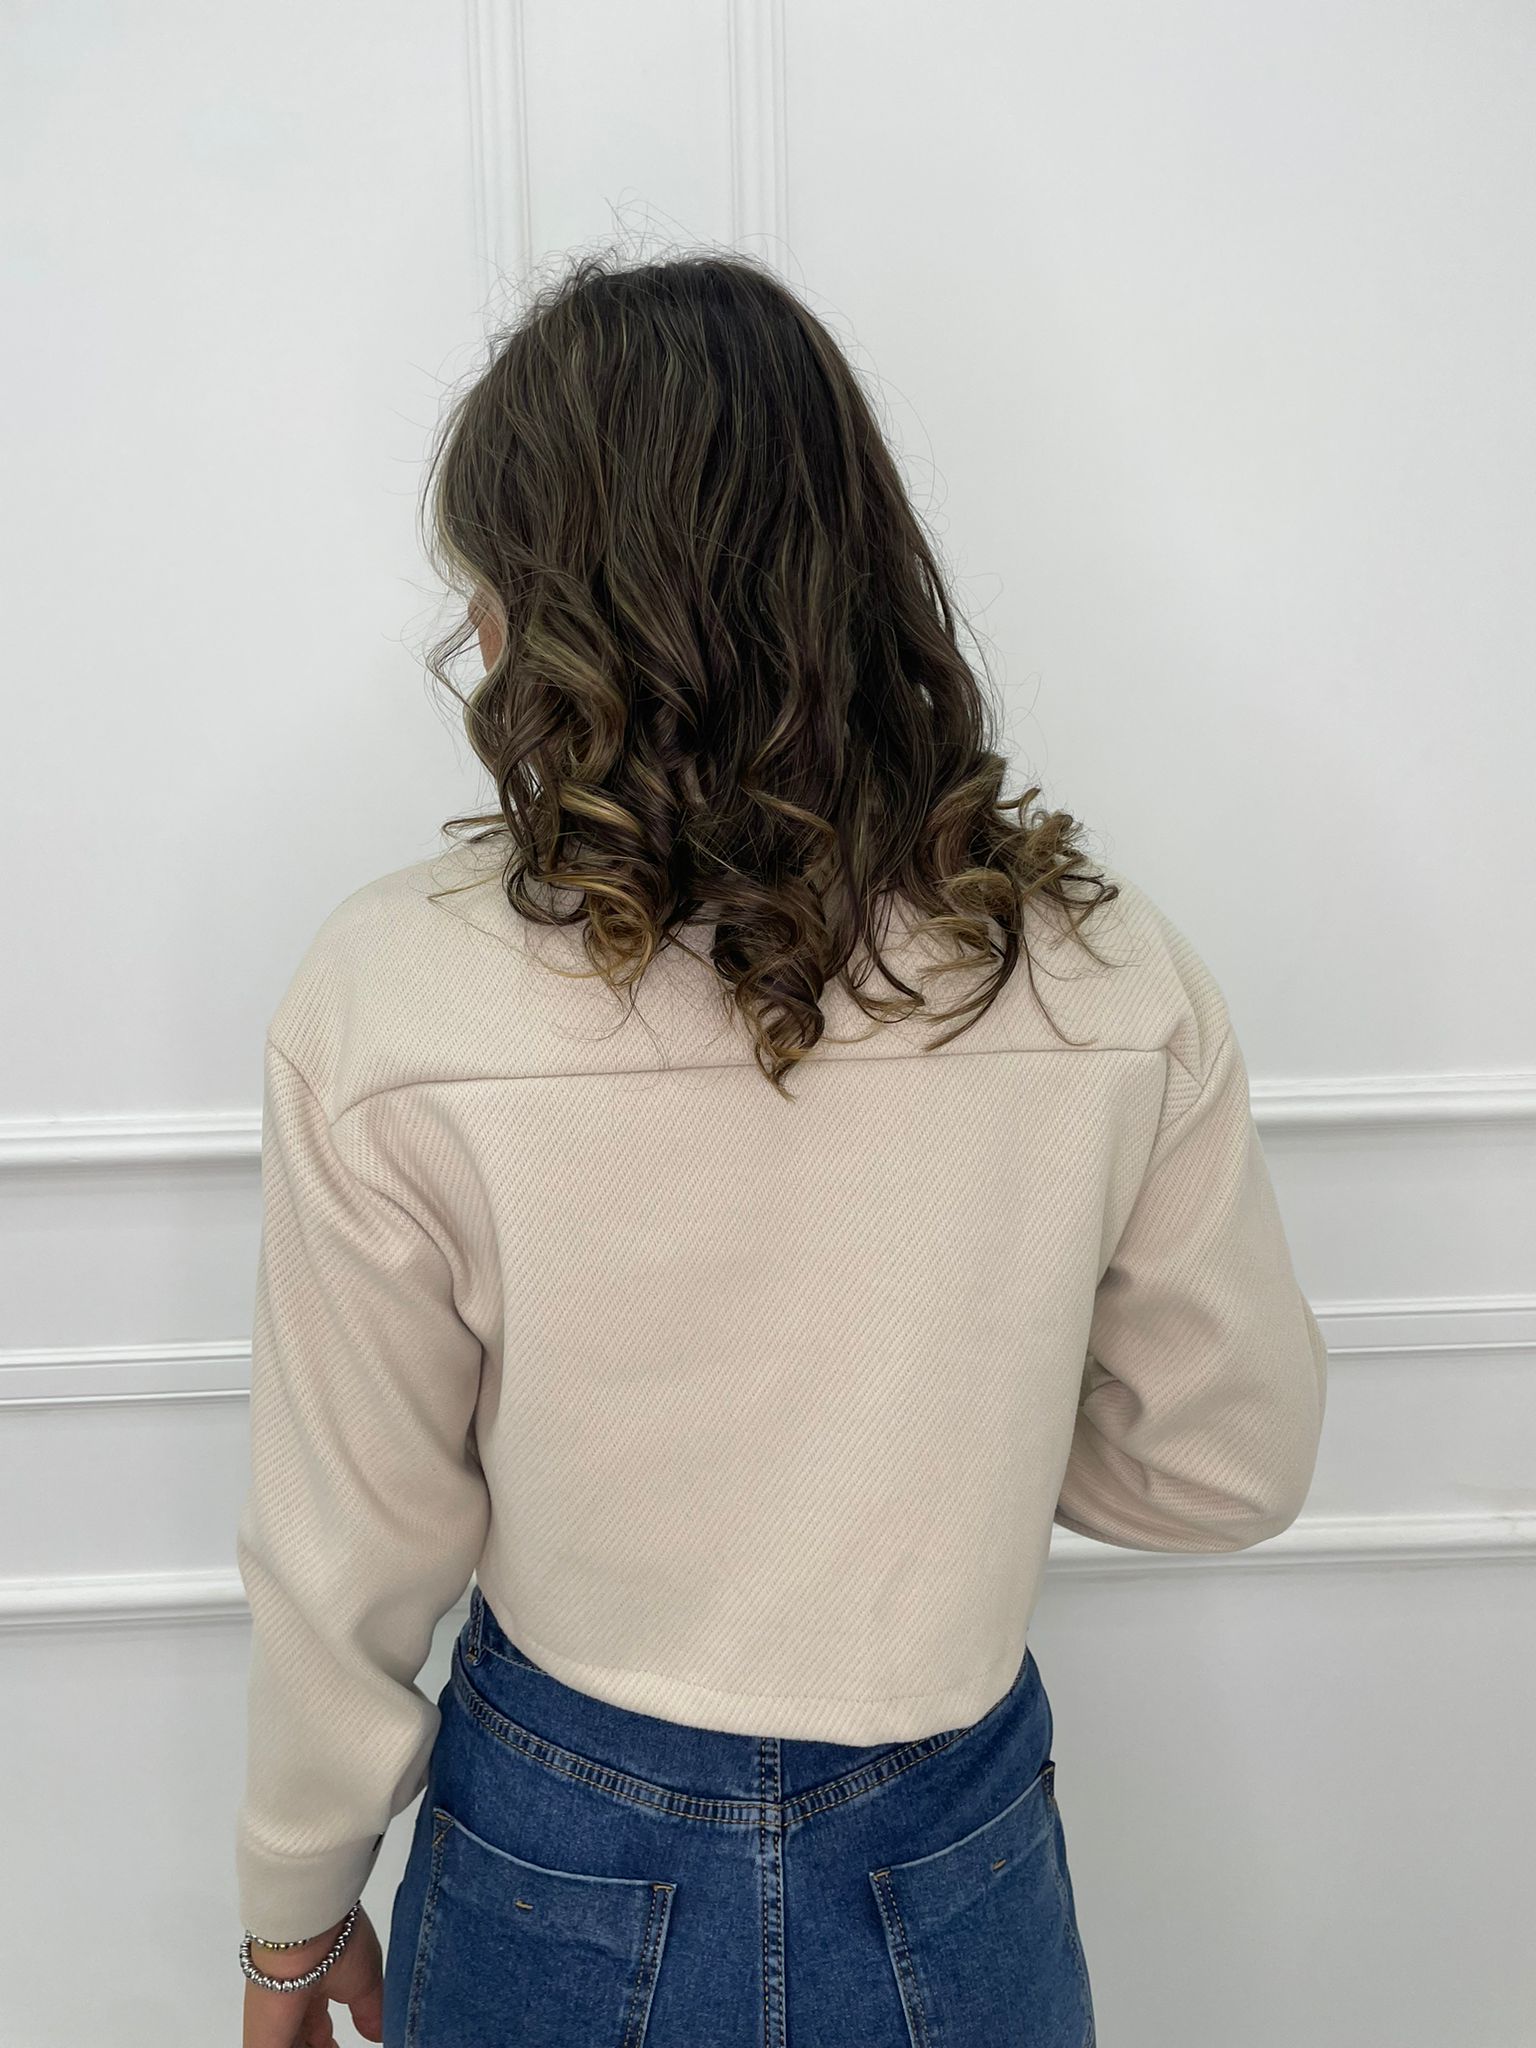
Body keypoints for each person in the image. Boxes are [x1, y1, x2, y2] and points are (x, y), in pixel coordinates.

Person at [234, 250, 1327, 2048]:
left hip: (555, 1839)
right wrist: (932, 1439)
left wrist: (292, 1916)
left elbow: (350, 1549)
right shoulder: (1106, 973)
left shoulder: (388, 993)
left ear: (539, 608)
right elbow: (1230, 1466)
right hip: (952, 1839)